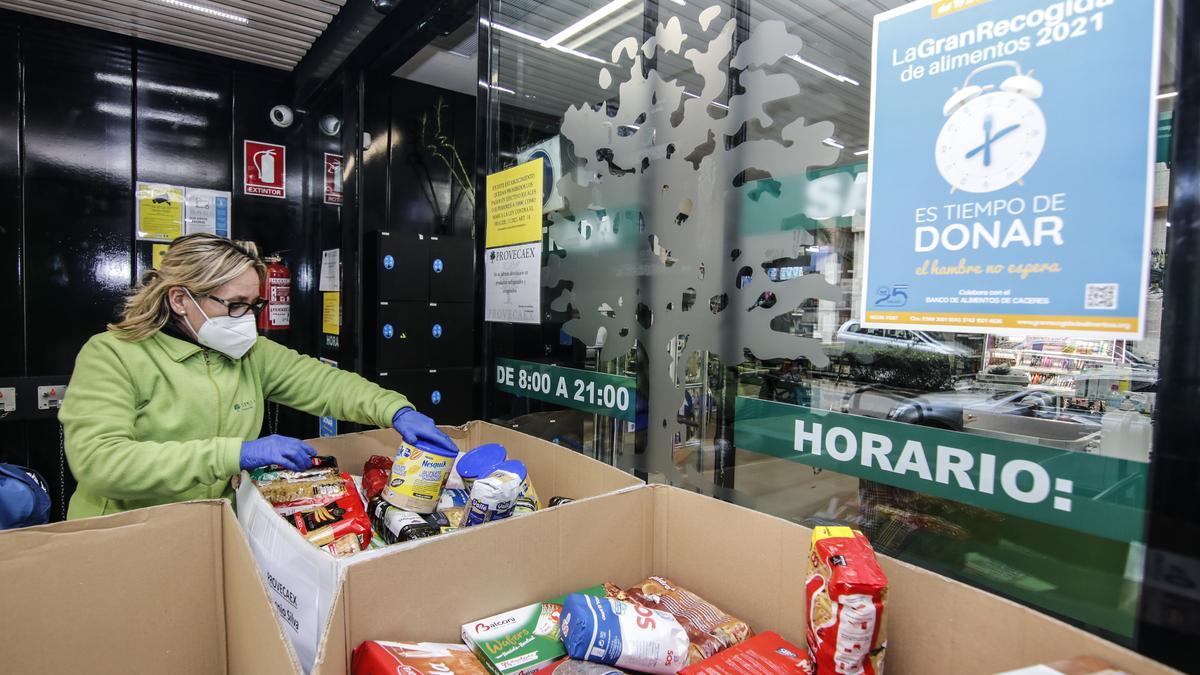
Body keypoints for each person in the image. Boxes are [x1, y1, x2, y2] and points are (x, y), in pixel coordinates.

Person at [58, 233, 456, 519]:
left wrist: (396, 411)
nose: (246, 319)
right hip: (124, 534)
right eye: (234, 305)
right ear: (181, 299)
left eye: (253, 304)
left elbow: (325, 384)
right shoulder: (112, 356)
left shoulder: (250, 354)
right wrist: (236, 453)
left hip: (217, 528)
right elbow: (100, 462)